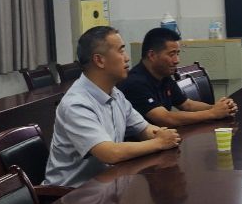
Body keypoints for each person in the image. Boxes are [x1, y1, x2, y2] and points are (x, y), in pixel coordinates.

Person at [44, 26, 182, 188]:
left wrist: (161, 134)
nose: (127, 58)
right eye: (121, 51)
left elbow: (144, 129)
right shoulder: (76, 104)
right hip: (72, 194)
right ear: (99, 60)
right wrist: (160, 142)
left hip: (107, 185)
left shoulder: (115, 94)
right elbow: (110, 153)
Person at [119, 27, 237, 127]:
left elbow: (187, 105)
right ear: (152, 55)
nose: (177, 60)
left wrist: (219, 108)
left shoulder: (163, 75)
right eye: (172, 54)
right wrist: (213, 113)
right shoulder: (135, 82)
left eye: (177, 53)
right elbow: (166, 119)